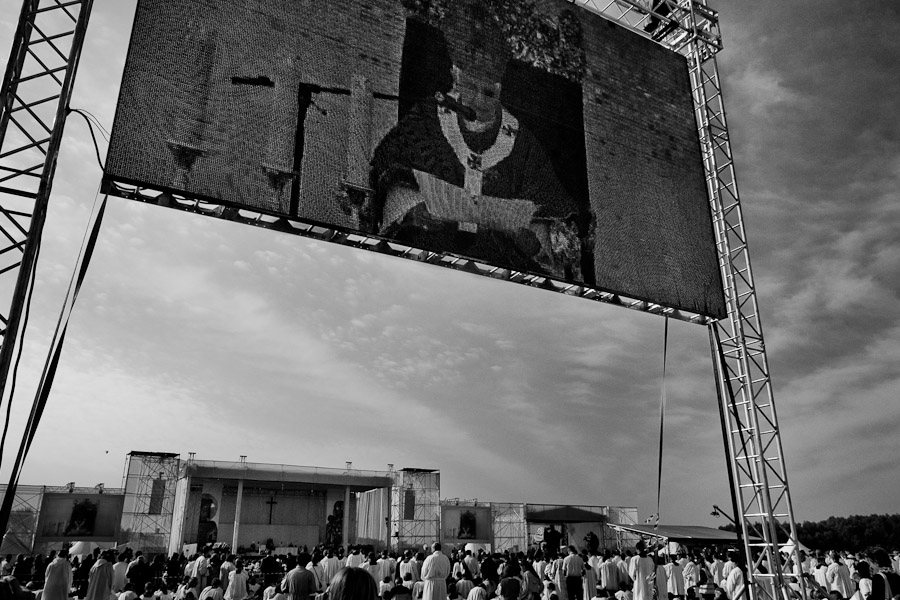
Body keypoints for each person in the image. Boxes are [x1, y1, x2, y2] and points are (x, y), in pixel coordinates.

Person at [369, 0, 582, 280]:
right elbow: (390, 177)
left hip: (501, 276)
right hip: (425, 265)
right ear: (454, 77)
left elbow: (552, 224)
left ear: (500, 89)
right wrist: (412, 211)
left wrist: (529, 240)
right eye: (470, 87)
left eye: (489, 93)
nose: (480, 100)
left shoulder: (524, 146)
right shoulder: (425, 120)